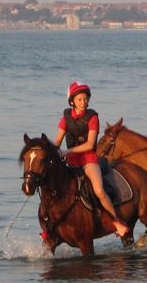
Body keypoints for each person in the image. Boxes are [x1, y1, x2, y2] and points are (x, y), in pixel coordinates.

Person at [54, 80, 129, 237]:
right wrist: (49, 151)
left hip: (88, 160)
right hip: (71, 163)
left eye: (85, 99)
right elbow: (57, 141)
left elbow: (89, 144)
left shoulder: (92, 117)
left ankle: (116, 222)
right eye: (80, 99)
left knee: (99, 190)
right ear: (72, 101)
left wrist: (67, 151)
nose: (83, 102)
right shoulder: (65, 118)